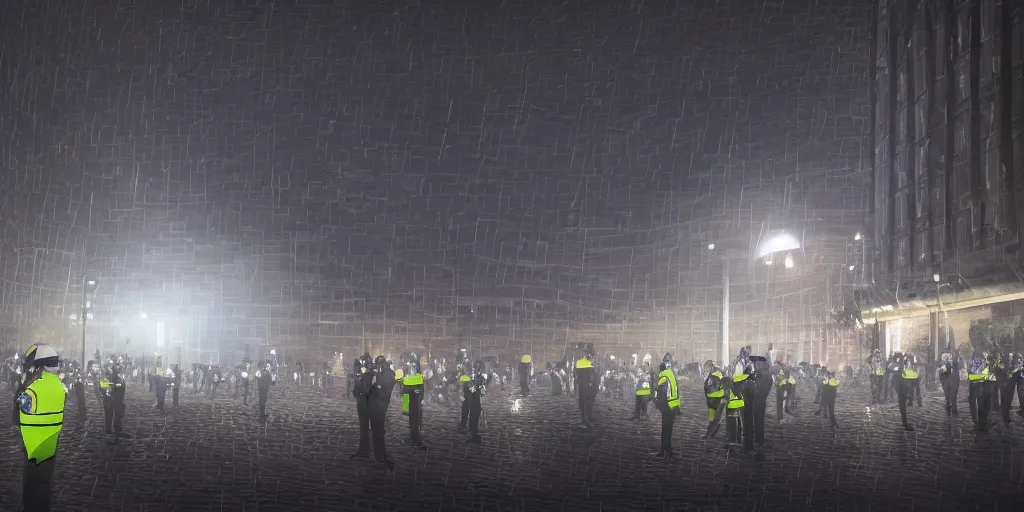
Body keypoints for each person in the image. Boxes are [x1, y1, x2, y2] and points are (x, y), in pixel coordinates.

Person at [14, 344, 66, 511]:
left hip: (33, 447)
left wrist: (22, 386)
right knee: (44, 487)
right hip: (49, 443)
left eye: (33, 367)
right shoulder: (58, 385)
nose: (31, 371)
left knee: (31, 491)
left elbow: (22, 404)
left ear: (40, 366)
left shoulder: (35, 388)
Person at [369, 355, 396, 470]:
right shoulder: (392, 374)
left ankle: (379, 454)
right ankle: (381, 453)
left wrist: (375, 374)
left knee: (376, 430)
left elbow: (372, 384)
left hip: (377, 404)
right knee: (379, 428)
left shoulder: (380, 375)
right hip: (385, 404)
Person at [655, 353, 680, 459]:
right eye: (668, 362)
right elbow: (662, 391)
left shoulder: (669, 374)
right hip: (668, 406)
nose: (669, 364)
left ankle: (664, 449)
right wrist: (663, 406)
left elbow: (674, 391)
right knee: (667, 429)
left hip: (671, 406)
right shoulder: (666, 374)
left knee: (666, 428)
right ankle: (666, 449)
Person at [350, 353, 374, 460]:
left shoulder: (369, 374)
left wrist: (360, 380)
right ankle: (364, 449)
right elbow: (357, 390)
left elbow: (365, 389)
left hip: (366, 403)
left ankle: (364, 450)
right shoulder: (363, 373)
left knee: (364, 427)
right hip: (361, 402)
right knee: (363, 428)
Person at [400, 352, 426, 449]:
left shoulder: (414, 373)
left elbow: (421, 385)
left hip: (413, 397)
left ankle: (415, 439)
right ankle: (415, 440)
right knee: (413, 419)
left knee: (413, 419)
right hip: (412, 397)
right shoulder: (411, 373)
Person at [99, 357, 128, 442]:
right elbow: (102, 385)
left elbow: (120, 384)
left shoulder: (116, 375)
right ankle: (108, 432)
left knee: (118, 412)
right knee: (108, 414)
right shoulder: (104, 375)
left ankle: (117, 429)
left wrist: (117, 385)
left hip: (116, 397)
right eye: (109, 365)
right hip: (108, 397)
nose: (111, 366)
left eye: (112, 364)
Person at [967, 348, 992, 431]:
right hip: (978, 383)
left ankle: (980, 421)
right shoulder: (974, 360)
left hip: (981, 383)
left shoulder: (984, 359)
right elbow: (971, 370)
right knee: (980, 402)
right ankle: (980, 421)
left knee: (981, 402)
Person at [574, 344, 597, 428]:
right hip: (586, 383)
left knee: (586, 400)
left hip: (587, 383)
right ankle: (585, 417)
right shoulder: (586, 361)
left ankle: (586, 417)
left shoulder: (586, 361)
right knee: (584, 400)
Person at [466, 359, 486, 443]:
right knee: (472, 418)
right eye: (475, 366)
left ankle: (474, 435)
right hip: (472, 400)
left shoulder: (482, 377)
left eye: (478, 367)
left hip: (477, 401)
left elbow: (482, 390)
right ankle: (473, 435)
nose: (476, 368)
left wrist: (473, 388)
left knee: (475, 418)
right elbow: (470, 387)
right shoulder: (472, 376)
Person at [937, 352, 960, 417]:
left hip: (948, 383)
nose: (942, 360)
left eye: (943, 358)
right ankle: (954, 411)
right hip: (954, 382)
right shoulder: (955, 364)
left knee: (948, 396)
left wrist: (940, 371)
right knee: (953, 397)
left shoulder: (947, 365)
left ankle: (950, 409)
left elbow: (942, 373)